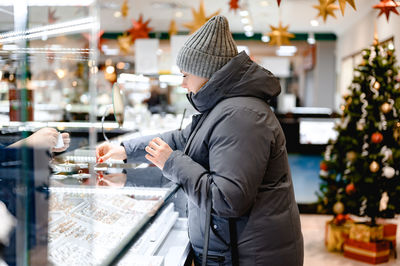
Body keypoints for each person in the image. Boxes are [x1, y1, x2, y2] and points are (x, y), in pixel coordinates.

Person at [96, 15, 303, 266]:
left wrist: (171, 162)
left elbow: (227, 200)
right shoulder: (224, 108)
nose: (183, 84)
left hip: (251, 257)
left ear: (207, 73)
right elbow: (182, 139)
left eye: (185, 75)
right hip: (235, 251)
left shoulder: (241, 117)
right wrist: (125, 150)